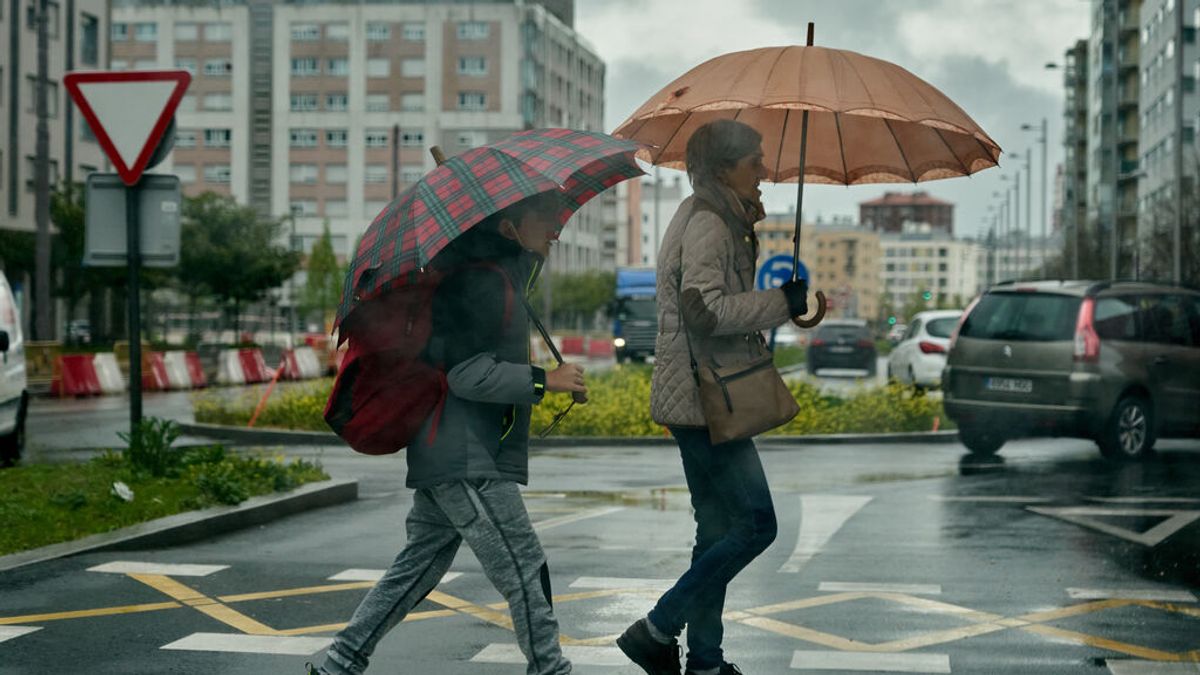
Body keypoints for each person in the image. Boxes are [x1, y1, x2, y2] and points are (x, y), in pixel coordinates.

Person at [309, 193, 586, 675]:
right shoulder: (481, 282)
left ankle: (338, 664)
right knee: (523, 565)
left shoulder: (499, 277)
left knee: (416, 569)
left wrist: (546, 378)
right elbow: (466, 375)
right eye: (546, 219)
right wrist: (544, 380)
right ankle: (550, 669)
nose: (557, 231)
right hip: (462, 454)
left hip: (451, 450)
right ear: (509, 227)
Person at [616, 119, 810, 675]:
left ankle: (704, 661)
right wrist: (777, 303)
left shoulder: (710, 214)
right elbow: (706, 313)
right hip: (706, 400)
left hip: (699, 394)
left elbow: (711, 305)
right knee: (756, 524)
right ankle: (656, 627)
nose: (765, 172)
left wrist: (787, 305)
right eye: (755, 161)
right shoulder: (709, 222)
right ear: (724, 167)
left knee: (717, 530)